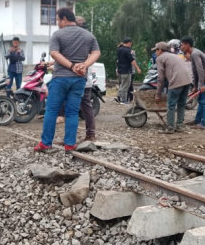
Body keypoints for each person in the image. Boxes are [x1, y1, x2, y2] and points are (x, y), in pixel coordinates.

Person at [35, 8, 100, 152]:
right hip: (79, 79)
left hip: (61, 78)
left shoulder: (58, 34)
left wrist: (71, 66)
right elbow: (96, 52)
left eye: (58, 20)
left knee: (51, 111)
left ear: (64, 19)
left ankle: (45, 143)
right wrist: (84, 65)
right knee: (72, 112)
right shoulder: (88, 36)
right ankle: (70, 144)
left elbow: (54, 53)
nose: (58, 23)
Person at [153, 41, 193, 133]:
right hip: (187, 80)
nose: (155, 52)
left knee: (171, 105)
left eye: (156, 50)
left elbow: (160, 78)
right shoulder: (175, 55)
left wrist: (158, 94)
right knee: (181, 104)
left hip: (177, 81)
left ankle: (170, 127)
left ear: (160, 50)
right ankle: (180, 125)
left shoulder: (160, 58)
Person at [180, 36, 205, 129]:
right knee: (201, 101)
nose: (181, 47)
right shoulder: (193, 54)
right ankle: (198, 120)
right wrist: (196, 86)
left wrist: (202, 84)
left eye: (182, 45)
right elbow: (195, 71)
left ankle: (204, 124)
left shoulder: (195, 54)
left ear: (188, 45)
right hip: (204, 80)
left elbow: (200, 70)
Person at [76, 16, 96, 142]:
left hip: (80, 78)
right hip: (81, 78)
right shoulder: (88, 37)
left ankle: (90, 134)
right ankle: (90, 134)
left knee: (83, 107)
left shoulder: (84, 39)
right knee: (85, 107)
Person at [115, 38, 141, 104]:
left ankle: (119, 97)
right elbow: (132, 60)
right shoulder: (127, 50)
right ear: (129, 43)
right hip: (126, 70)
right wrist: (137, 68)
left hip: (120, 70)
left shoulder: (119, 49)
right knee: (126, 86)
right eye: (131, 43)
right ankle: (123, 100)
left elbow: (118, 60)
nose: (131, 45)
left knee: (122, 84)